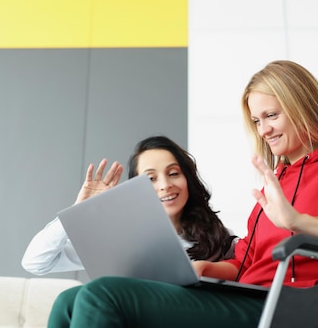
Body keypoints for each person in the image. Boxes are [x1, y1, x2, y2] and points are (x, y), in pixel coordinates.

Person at [49, 60, 318, 327]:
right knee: (70, 300)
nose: (264, 131)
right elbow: (247, 261)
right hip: (246, 295)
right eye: (257, 122)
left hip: (290, 306)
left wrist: (302, 223)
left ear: (302, 106)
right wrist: (207, 269)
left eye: (271, 116)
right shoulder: (279, 178)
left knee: (103, 295)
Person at [21, 135, 236, 326]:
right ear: (136, 186)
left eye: (173, 173)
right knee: (66, 301)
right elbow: (35, 262)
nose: (165, 185)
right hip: (125, 318)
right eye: (151, 178)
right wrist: (78, 211)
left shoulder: (216, 235)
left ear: (187, 178)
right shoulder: (118, 237)